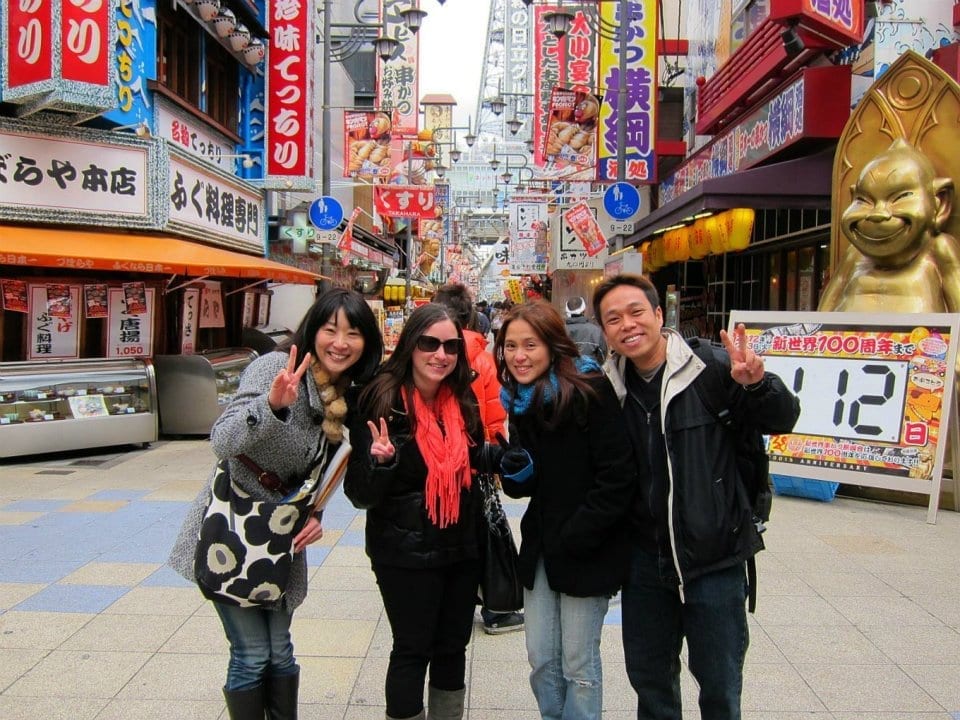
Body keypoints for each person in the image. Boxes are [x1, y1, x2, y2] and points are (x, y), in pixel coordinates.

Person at [169, 288, 384, 719]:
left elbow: (327, 467)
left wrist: (319, 511)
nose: (340, 342)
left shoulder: (346, 394)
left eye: (353, 333)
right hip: (232, 530)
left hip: (282, 539)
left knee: (280, 652)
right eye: (330, 330)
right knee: (251, 654)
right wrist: (270, 405)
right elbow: (221, 442)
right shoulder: (274, 367)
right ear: (313, 331)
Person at [592, 274, 800, 720]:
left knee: (720, 686)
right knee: (650, 683)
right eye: (613, 319)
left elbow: (783, 418)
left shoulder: (714, 370)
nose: (627, 325)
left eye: (635, 312)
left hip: (715, 558)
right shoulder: (611, 388)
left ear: (659, 316)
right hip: (645, 562)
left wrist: (758, 385)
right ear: (604, 331)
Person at [493, 300, 637, 720]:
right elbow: (534, 483)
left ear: (553, 346)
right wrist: (518, 475)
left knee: (578, 661)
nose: (519, 356)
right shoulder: (520, 401)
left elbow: (618, 475)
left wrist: (579, 533)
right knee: (540, 655)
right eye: (510, 346)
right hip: (542, 543)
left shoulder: (590, 390)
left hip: (588, 543)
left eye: (530, 345)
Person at [344, 303, 488, 720]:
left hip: (461, 546)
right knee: (412, 647)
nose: (440, 355)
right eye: (429, 343)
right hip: (403, 552)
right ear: (410, 344)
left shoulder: (463, 401)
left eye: (450, 346)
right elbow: (359, 493)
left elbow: (472, 463)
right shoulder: (381, 400)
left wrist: (495, 457)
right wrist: (381, 462)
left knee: (452, 646)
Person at [432, 283, 523, 635]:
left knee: (445, 530)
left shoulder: (426, 352)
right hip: (477, 462)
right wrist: (492, 460)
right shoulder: (483, 359)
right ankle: (497, 610)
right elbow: (493, 417)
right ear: (471, 315)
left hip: (438, 464)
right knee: (485, 535)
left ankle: (447, 601)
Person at [563, 295, 607, 364]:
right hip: (590, 372)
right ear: (584, 310)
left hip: (565, 373)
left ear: (567, 312)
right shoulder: (595, 331)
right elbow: (602, 355)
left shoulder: (559, 331)